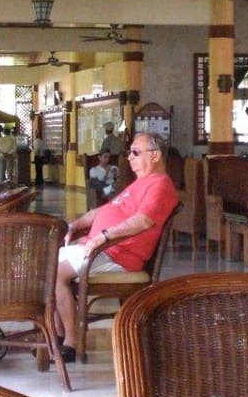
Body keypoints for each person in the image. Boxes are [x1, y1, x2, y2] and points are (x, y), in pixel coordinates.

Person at [54, 132, 179, 363]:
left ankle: (69, 343)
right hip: (99, 248)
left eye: (135, 152)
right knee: (41, 263)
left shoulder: (161, 185)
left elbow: (142, 221)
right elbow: (102, 211)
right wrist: (75, 225)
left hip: (117, 254)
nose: (129, 157)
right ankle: (55, 336)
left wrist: (102, 237)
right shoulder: (139, 183)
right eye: (129, 152)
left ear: (156, 156)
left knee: (54, 274)